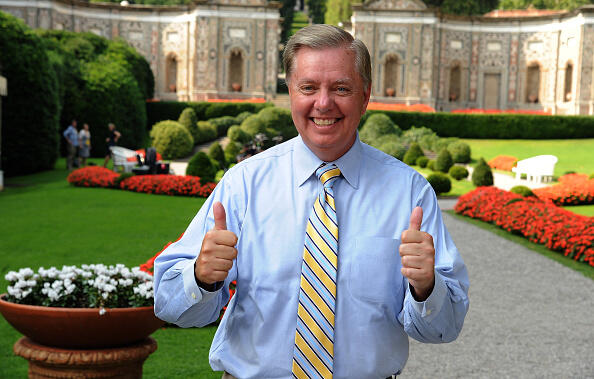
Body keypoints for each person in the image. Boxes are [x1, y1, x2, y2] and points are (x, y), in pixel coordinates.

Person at [154, 25, 469, 379]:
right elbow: (169, 306)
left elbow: (445, 328)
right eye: (308, 87)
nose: (323, 103)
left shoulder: (409, 193)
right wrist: (201, 278)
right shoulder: (244, 184)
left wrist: (427, 288)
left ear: (365, 96)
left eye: (341, 88)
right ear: (291, 92)